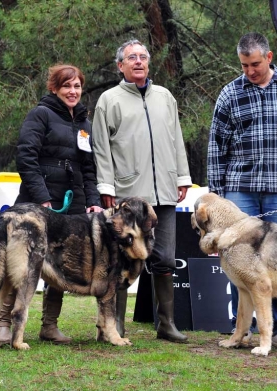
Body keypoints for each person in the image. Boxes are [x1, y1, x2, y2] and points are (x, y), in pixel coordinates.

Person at [207, 32, 277, 352]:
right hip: (239, 193)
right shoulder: (230, 93)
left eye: (255, 64)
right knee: (238, 261)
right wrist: (216, 195)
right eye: (244, 65)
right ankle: (240, 329)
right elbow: (216, 147)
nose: (249, 71)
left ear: (269, 57)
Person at [92, 39, 192, 343]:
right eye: (131, 58)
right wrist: (106, 186)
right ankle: (116, 325)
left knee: (165, 258)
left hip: (164, 192)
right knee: (121, 259)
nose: (138, 62)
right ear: (120, 65)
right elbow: (101, 147)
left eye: (143, 57)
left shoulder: (165, 97)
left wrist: (182, 177)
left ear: (149, 63)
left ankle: (166, 324)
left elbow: (176, 138)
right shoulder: (108, 100)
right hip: (128, 196)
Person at [0, 64, 103, 345]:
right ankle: (3, 323)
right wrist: (42, 197)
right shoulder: (40, 114)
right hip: (36, 203)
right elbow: (26, 158)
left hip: (74, 206)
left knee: (60, 265)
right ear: (54, 88)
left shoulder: (85, 124)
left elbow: (89, 169)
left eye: (77, 86)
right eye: (67, 86)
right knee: (19, 265)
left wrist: (92, 202)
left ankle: (49, 326)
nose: (73, 91)